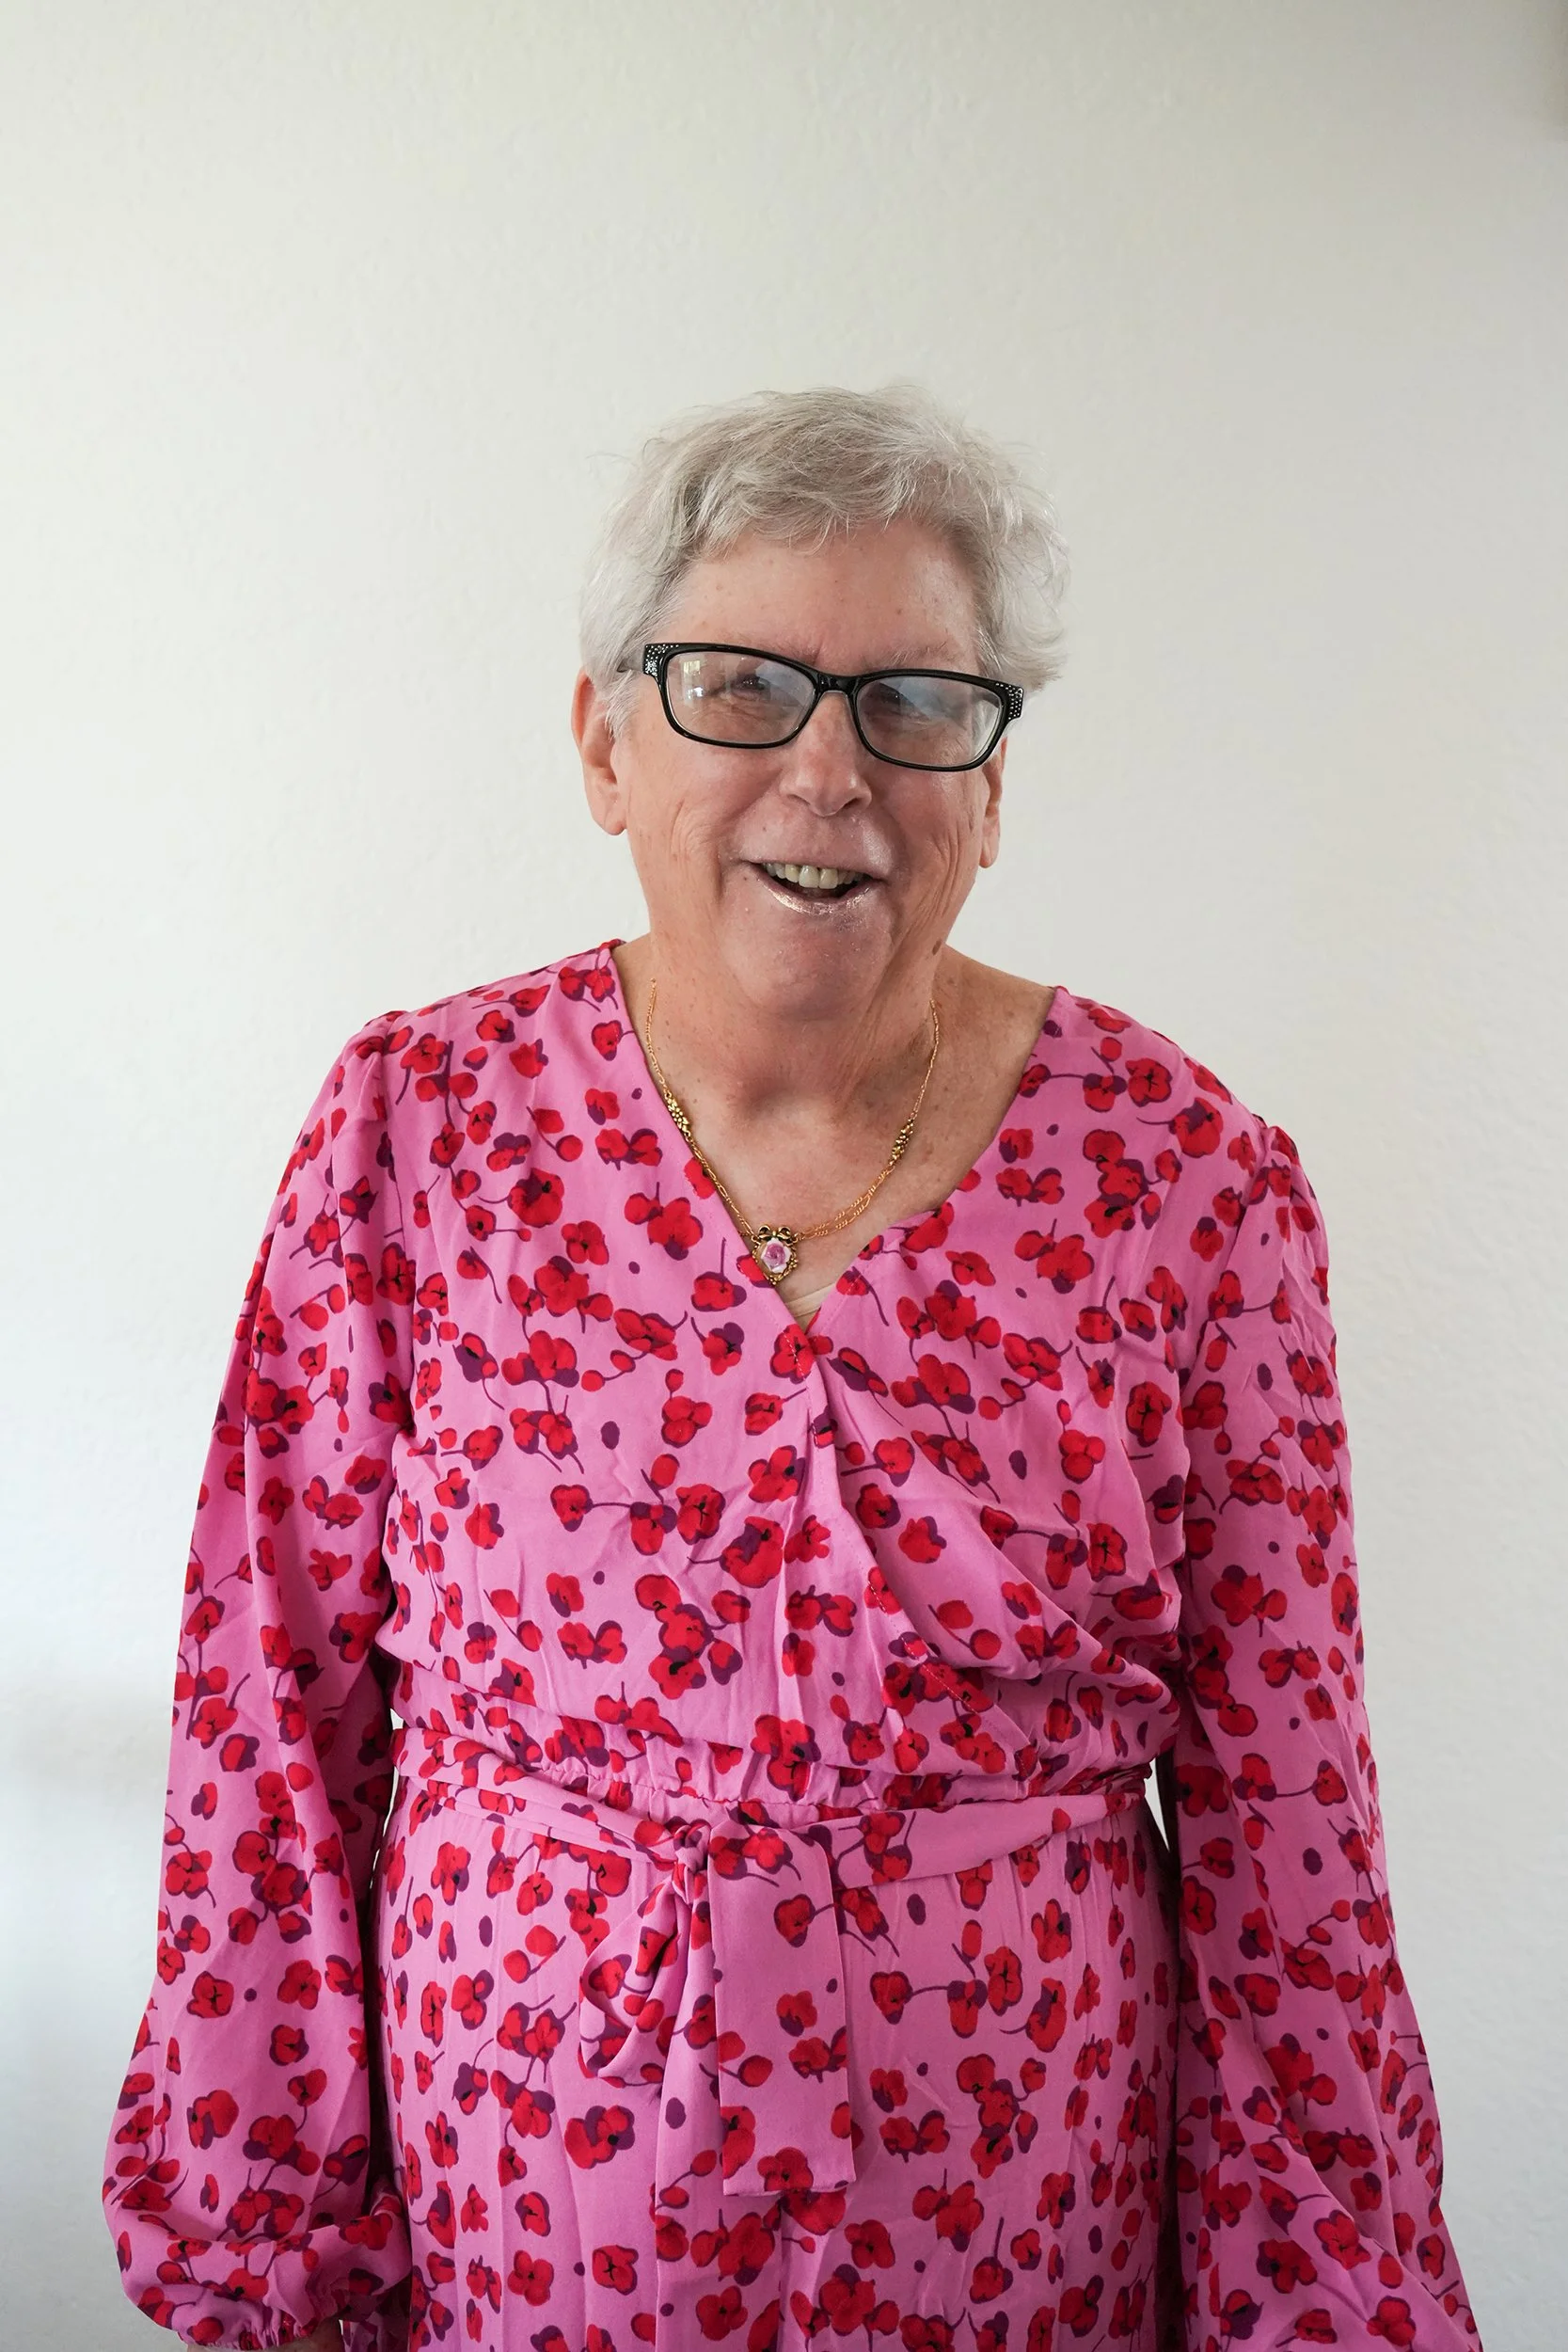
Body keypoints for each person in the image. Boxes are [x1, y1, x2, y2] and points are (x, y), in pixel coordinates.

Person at [103, 385, 1482, 2352]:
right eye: (738, 686)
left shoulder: (1190, 1185)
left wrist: (1318, 2294)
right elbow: (267, 1709)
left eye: (913, 702)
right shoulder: (419, 1130)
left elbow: (1290, 1829)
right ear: (602, 737)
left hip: (1008, 2252)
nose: (828, 769)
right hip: (535, 2230)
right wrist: (266, 2227)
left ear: (988, 786)